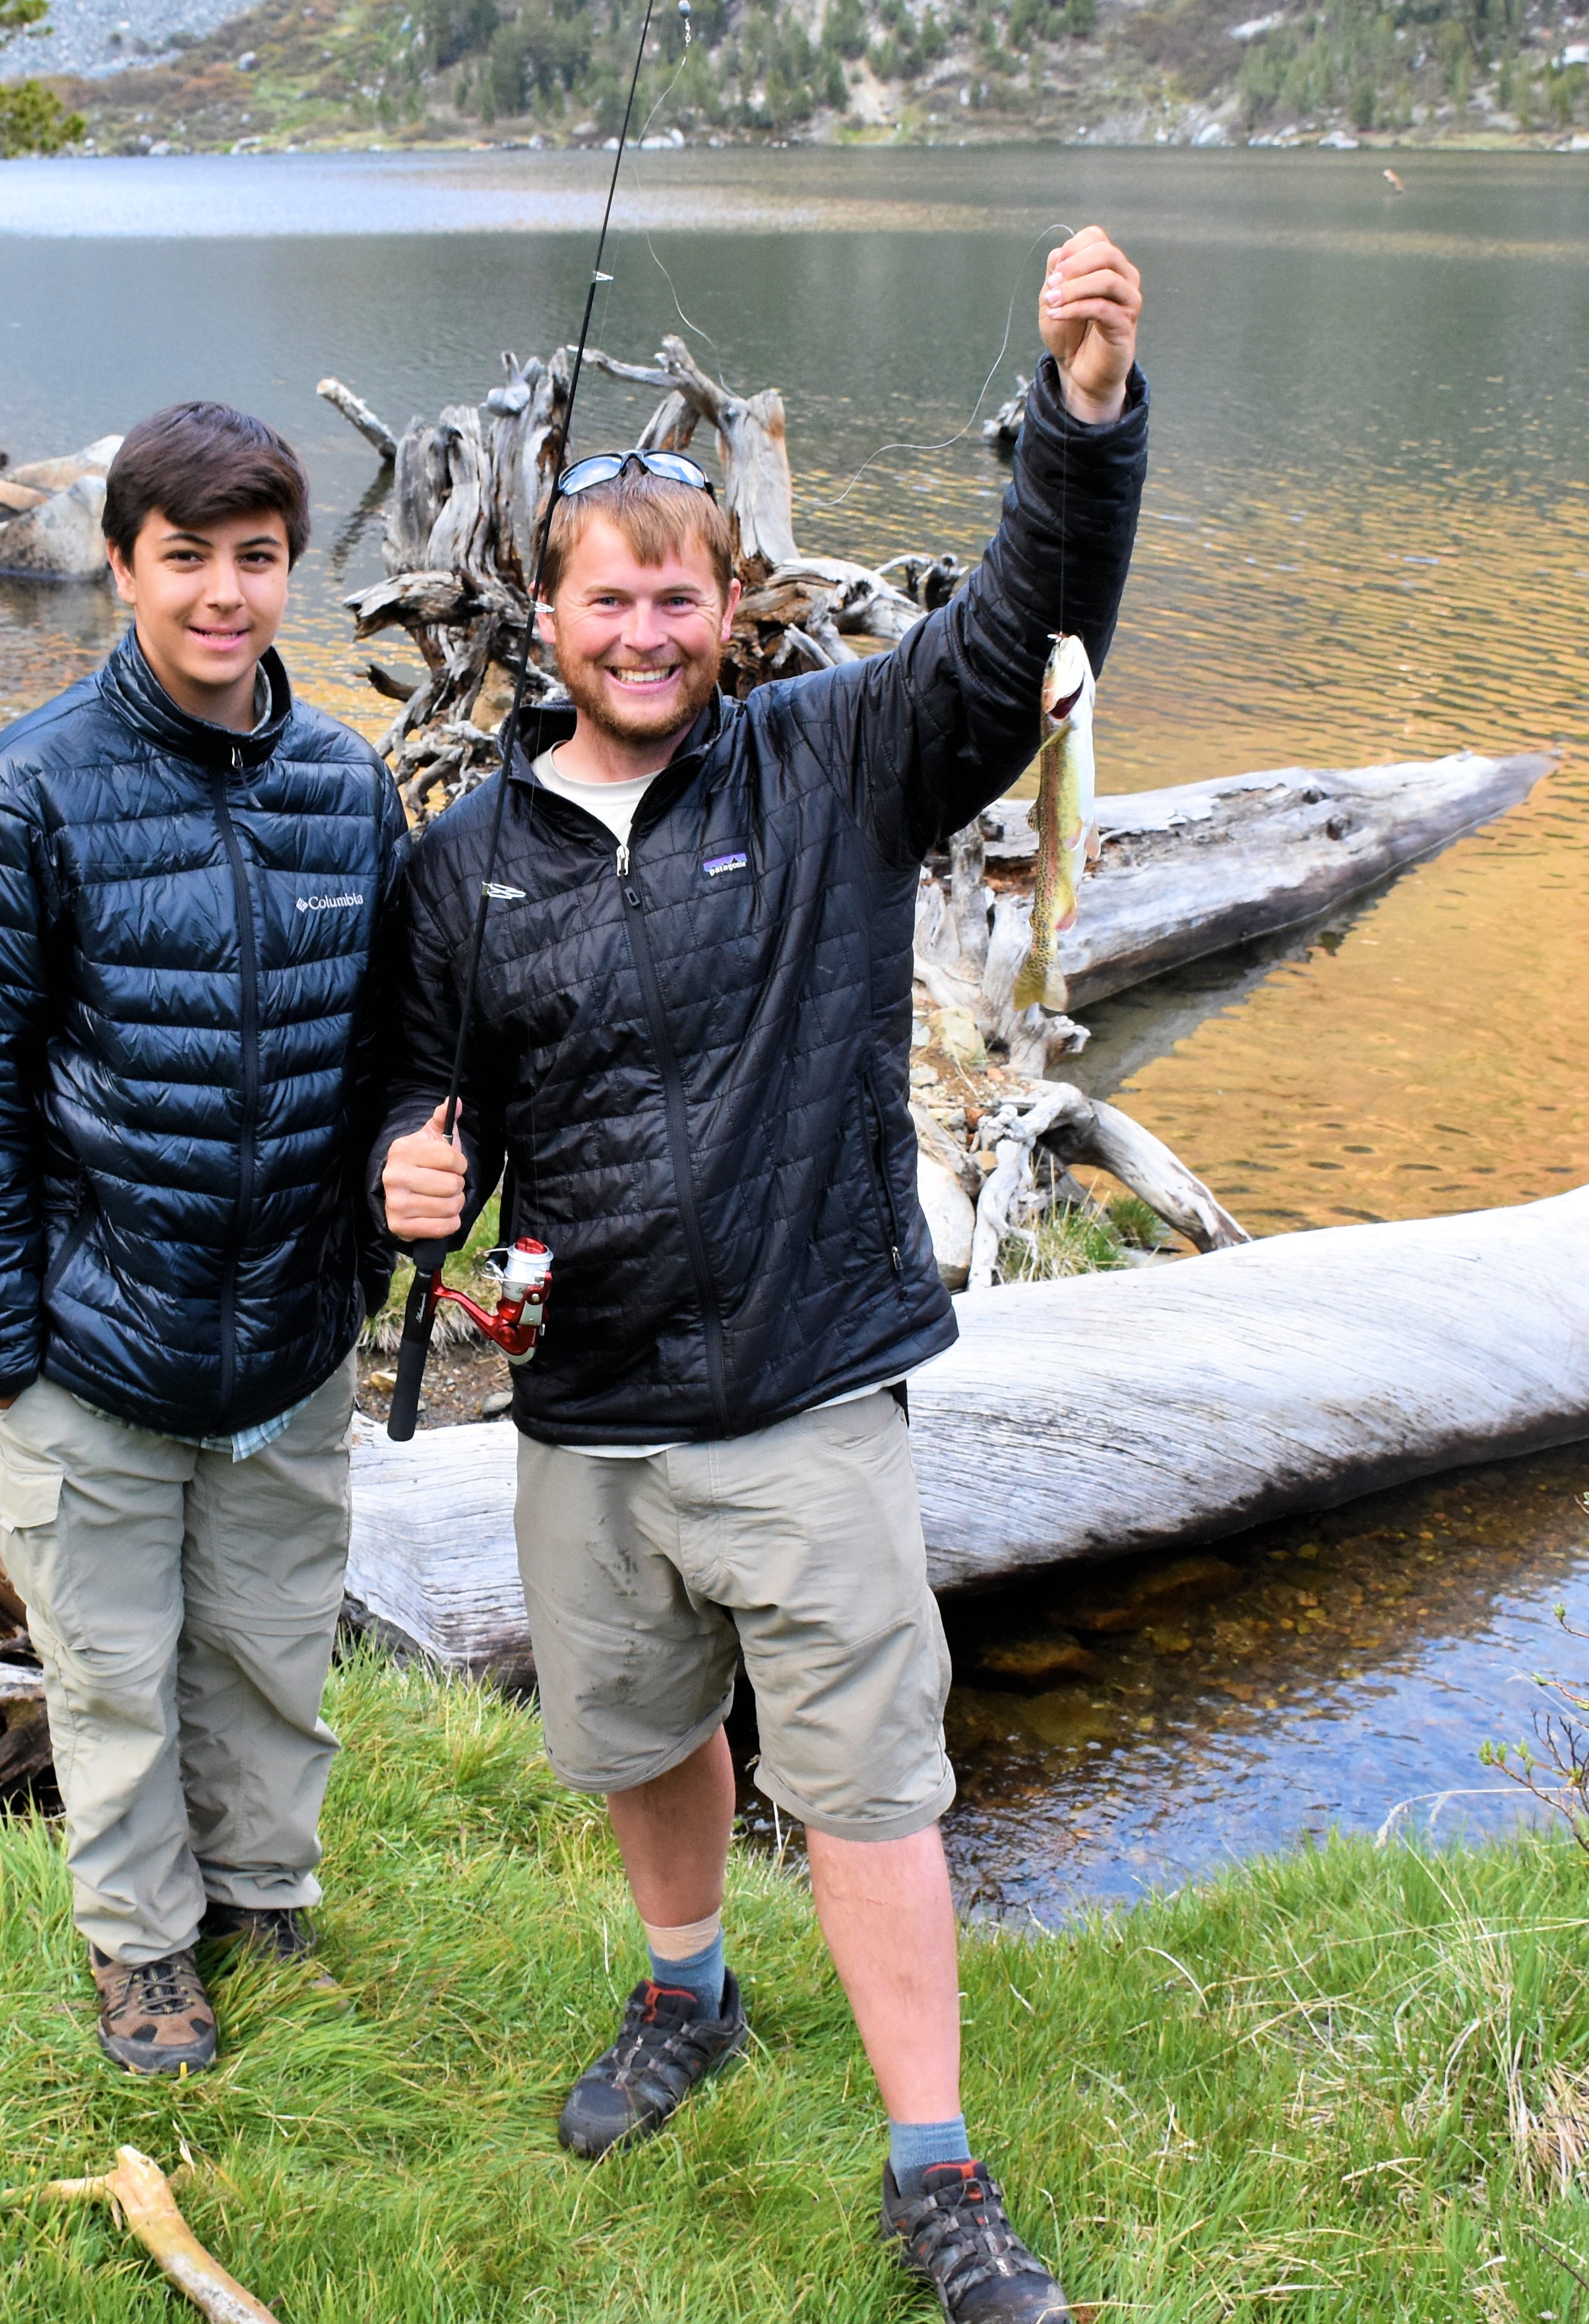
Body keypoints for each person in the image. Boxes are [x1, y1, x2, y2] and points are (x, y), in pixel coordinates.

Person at [375, 231, 1146, 2322]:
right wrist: (412, 1173)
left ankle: (934, 2168)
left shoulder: (835, 764)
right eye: (607, 601)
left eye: (679, 599)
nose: (645, 634)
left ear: (734, 611)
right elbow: (433, 1109)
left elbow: (1025, 627)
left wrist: (1082, 418)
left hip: (807, 1390)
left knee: (873, 1784)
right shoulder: (462, 865)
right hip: (591, 1409)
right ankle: (688, 1993)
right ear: (544, 616)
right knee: (642, 1735)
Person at [0, 401, 403, 2078]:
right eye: (186, 557)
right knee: (113, 1674)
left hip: (290, 1341)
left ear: (291, 569)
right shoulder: (23, 792)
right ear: (121, 565)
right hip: (92, 1342)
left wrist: (370, 1247)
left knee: (268, 1650)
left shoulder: (347, 788)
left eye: (256, 557)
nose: (223, 593)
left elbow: (394, 1058)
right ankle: (142, 1948)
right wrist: (1, 1343)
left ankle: (261, 1897)